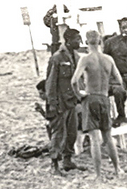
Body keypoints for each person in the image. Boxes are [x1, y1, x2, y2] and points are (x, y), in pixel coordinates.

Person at [71, 30, 122, 181]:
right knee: (108, 136)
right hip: (104, 97)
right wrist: (106, 89)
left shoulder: (85, 59)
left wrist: (79, 95)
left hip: (90, 97)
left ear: (86, 42)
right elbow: (119, 80)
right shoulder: (108, 59)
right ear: (100, 42)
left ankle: (98, 175)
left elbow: (74, 81)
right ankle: (117, 169)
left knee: (94, 139)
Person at [45, 28, 87, 175]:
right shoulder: (57, 58)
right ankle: (55, 165)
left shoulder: (76, 57)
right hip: (60, 103)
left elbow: (79, 80)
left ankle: (67, 161)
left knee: (72, 133)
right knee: (58, 135)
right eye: (76, 39)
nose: (79, 41)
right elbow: (50, 83)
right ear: (68, 40)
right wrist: (52, 104)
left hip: (72, 102)